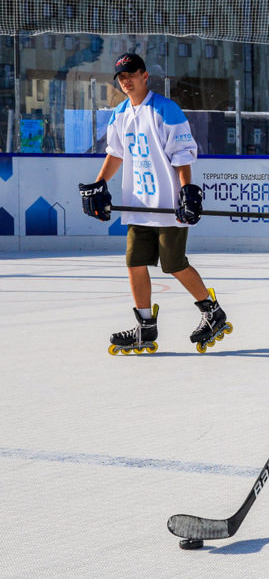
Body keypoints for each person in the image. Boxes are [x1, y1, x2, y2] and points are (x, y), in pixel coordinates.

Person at [78, 53, 231, 355]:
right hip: (138, 204)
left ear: (145, 76)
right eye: (121, 77)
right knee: (135, 263)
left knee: (173, 264)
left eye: (131, 74)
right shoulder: (120, 114)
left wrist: (186, 192)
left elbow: (183, 154)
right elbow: (116, 153)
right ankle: (145, 326)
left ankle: (212, 313)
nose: (126, 80)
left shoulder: (165, 109)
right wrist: (99, 183)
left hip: (168, 205)